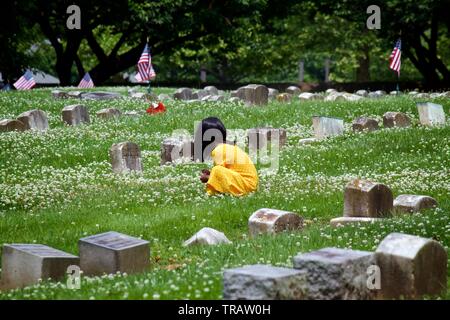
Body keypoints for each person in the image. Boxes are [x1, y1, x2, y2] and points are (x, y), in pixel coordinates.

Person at [196, 117, 258, 196]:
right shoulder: (228, 146)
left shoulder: (218, 150)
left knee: (216, 169)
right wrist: (211, 174)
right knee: (216, 170)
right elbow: (227, 172)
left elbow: (220, 176)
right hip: (250, 185)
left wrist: (209, 177)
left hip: (245, 186)